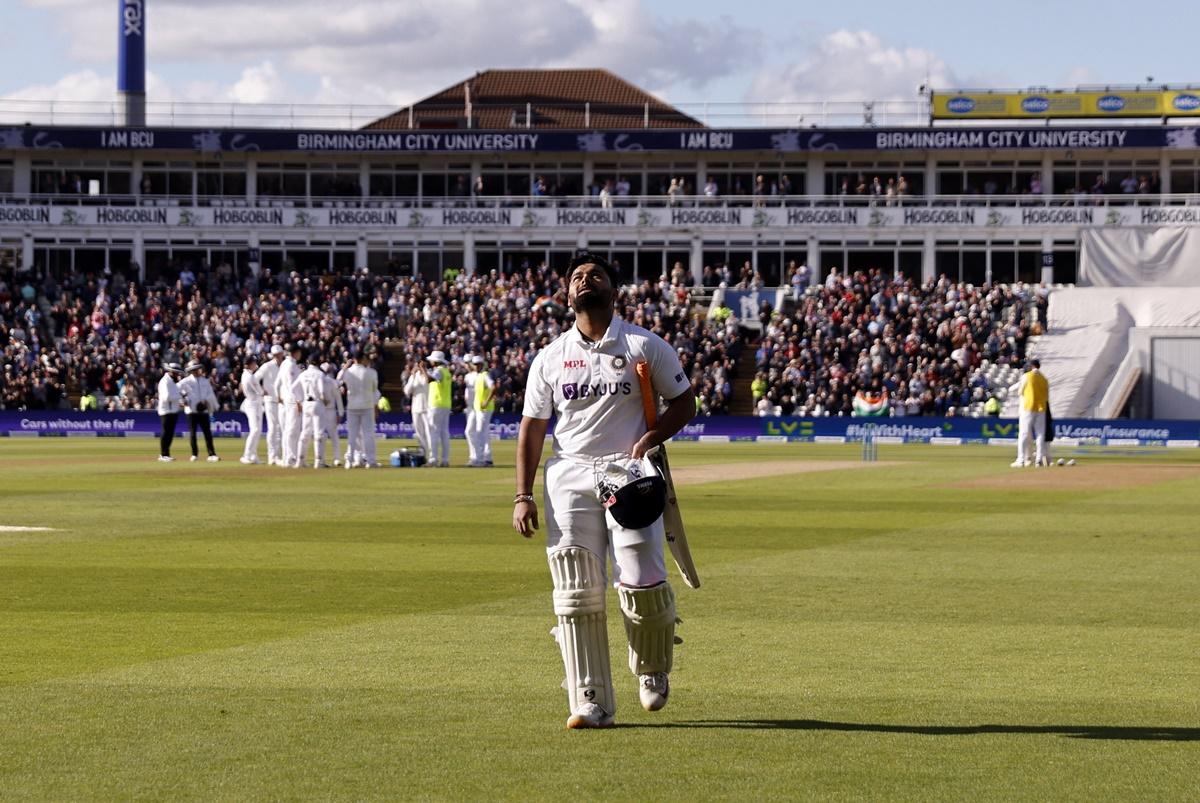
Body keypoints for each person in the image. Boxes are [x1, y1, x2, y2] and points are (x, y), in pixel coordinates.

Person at [512, 252, 696, 730]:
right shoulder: (550, 357)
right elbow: (532, 427)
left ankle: (652, 668)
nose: (585, 280)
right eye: (576, 277)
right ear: (566, 295)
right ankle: (590, 700)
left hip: (629, 469)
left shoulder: (642, 344)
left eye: (595, 274)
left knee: (641, 574)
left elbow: (684, 401)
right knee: (575, 590)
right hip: (569, 473)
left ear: (614, 291)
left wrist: (653, 439)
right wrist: (522, 494)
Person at [341, 350, 379, 469]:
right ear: (363, 358)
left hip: (352, 406)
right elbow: (374, 391)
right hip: (367, 406)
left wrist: (345, 367)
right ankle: (370, 460)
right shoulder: (371, 372)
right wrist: (375, 405)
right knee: (368, 434)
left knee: (352, 435)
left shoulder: (348, 372)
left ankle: (349, 460)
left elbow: (338, 380)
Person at [178, 360, 220, 462]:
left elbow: (210, 394)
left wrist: (207, 402)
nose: (197, 371)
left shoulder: (205, 381)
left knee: (207, 433)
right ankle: (194, 454)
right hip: (191, 411)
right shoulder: (185, 382)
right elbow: (177, 392)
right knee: (193, 434)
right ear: (191, 371)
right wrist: (182, 401)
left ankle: (212, 454)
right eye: (195, 369)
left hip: (203, 411)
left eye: (198, 369)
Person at [1013, 358, 1050, 468]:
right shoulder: (1044, 379)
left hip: (1028, 407)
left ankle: (1021, 460)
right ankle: (1039, 459)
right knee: (1040, 434)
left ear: (1032, 366)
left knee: (1024, 433)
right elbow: (1047, 396)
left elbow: (1020, 391)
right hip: (1041, 408)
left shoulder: (1027, 376)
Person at [293, 352, 327, 469]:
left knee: (305, 432)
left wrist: (299, 400)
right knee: (319, 433)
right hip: (317, 403)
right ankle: (319, 461)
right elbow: (322, 392)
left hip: (306, 404)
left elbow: (293, 388)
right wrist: (325, 401)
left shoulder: (303, 374)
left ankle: (300, 460)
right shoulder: (319, 374)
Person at [255, 344, 286, 466]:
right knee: (273, 428)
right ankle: (272, 456)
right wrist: (262, 391)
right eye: (276, 355)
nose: (278, 357)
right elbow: (254, 379)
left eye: (279, 354)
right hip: (271, 400)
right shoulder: (267, 366)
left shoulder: (285, 365)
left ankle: (277, 455)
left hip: (282, 401)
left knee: (281, 428)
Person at [275, 343, 303, 468]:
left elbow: (277, 383)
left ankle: (288, 457)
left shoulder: (284, 364)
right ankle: (290, 458)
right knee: (292, 430)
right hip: (292, 402)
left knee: (288, 430)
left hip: (286, 400)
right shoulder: (291, 365)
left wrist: (279, 397)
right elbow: (293, 386)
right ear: (296, 352)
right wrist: (298, 401)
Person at [425, 350, 452, 467]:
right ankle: (445, 460)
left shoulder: (439, 371)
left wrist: (422, 370)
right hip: (445, 404)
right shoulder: (446, 371)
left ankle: (433, 459)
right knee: (444, 433)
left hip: (436, 404)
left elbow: (429, 380)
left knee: (434, 432)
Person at [471, 354, 496, 467]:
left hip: (484, 409)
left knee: (480, 433)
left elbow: (493, 387)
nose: (476, 367)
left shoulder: (485, 375)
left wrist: (486, 401)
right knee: (484, 434)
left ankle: (480, 459)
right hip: (480, 409)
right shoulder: (480, 376)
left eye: (477, 365)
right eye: (475, 365)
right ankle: (487, 458)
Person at [156, 361, 184, 462]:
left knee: (170, 433)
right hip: (166, 411)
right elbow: (166, 397)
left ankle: (166, 454)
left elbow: (175, 395)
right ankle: (163, 455)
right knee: (166, 433)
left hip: (173, 410)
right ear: (171, 372)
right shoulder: (165, 381)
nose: (178, 375)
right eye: (176, 373)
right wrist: (178, 399)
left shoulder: (172, 382)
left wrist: (180, 400)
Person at [239, 354, 264, 464]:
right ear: (250, 364)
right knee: (254, 430)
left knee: (257, 431)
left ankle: (253, 455)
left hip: (255, 403)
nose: (255, 364)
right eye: (254, 363)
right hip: (252, 404)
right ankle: (246, 455)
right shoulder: (249, 376)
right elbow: (260, 391)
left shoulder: (248, 375)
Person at [404, 360, 431, 461]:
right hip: (416, 408)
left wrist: (423, 370)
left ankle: (432, 456)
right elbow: (407, 391)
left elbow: (427, 383)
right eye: (417, 365)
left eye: (420, 365)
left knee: (428, 432)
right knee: (419, 433)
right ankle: (423, 454)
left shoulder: (428, 374)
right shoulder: (413, 377)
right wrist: (413, 375)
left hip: (427, 408)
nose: (418, 367)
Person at [320, 362, 344, 468]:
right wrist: (341, 412)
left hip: (329, 411)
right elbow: (338, 398)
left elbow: (338, 398)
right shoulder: (329, 381)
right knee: (326, 436)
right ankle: (324, 459)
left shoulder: (331, 382)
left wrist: (340, 413)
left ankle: (336, 458)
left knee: (331, 436)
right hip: (322, 411)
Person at [462, 355, 480, 466]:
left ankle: (476, 457)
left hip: (476, 407)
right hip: (470, 407)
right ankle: (475, 457)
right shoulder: (467, 376)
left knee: (470, 432)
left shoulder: (477, 376)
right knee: (471, 432)